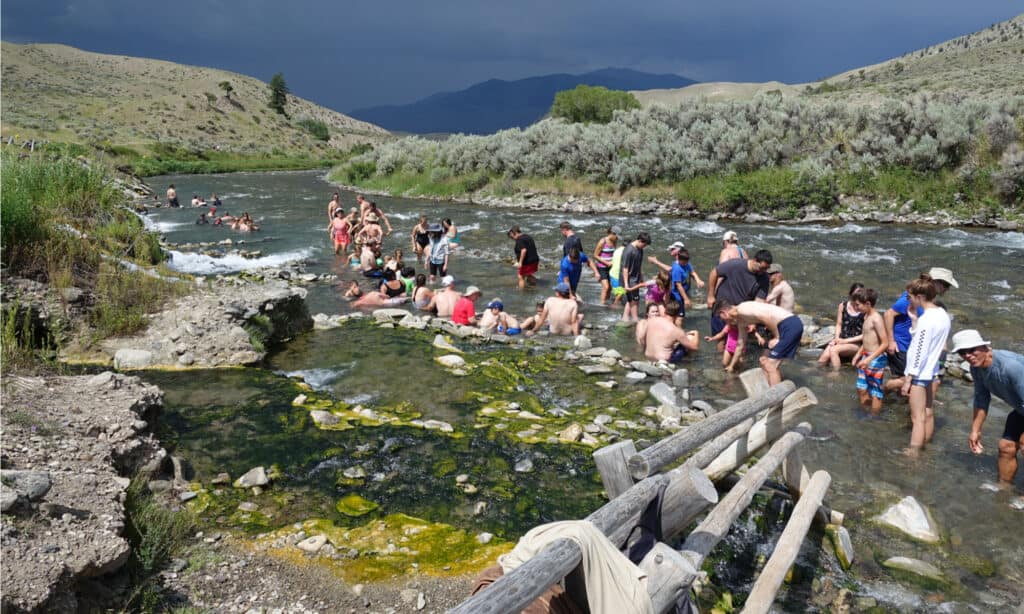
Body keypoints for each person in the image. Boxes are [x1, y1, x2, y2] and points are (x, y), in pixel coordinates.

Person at [954, 329, 1024, 487]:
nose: (968, 355)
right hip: (1021, 408)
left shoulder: (1010, 367)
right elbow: (981, 398)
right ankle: (1003, 491)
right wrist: (975, 430)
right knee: (1006, 447)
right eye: (962, 352)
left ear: (984, 347)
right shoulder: (976, 368)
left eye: (972, 350)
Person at [884, 267, 957, 393]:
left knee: (910, 380)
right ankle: (884, 388)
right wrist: (891, 341)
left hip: (915, 343)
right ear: (935, 282)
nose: (947, 289)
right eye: (945, 285)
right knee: (907, 379)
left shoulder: (930, 300)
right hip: (902, 344)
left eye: (948, 285)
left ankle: (900, 398)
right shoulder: (912, 296)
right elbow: (888, 314)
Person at [900, 275, 951, 452]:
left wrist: (908, 379)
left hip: (919, 374)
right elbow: (927, 343)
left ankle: (913, 454)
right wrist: (914, 320)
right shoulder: (942, 314)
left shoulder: (927, 320)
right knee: (928, 413)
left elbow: (919, 351)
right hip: (932, 372)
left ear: (920, 297)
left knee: (917, 418)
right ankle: (926, 446)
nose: (909, 300)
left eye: (910, 297)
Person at [716, 299, 803, 386]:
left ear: (724, 313)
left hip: (789, 325)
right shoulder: (741, 321)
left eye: (722, 319)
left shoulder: (742, 309)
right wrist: (731, 366)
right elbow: (740, 344)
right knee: (763, 361)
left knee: (770, 365)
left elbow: (766, 317)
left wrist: (777, 337)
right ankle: (766, 390)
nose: (725, 322)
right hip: (781, 327)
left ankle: (777, 396)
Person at [706, 249, 772, 346]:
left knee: (736, 342)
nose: (763, 271)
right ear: (754, 260)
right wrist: (710, 296)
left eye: (766, 269)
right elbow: (714, 272)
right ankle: (719, 359)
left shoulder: (764, 278)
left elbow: (759, 302)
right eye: (761, 268)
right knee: (720, 337)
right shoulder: (736, 265)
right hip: (721, 307)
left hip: (738, 314)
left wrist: (753, 322)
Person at [850, 288, 889, 415]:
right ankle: (864, 411)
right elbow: (867, 339)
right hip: (865, 356)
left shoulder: (876, 319)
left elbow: (885, 343)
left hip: (875, 358)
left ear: (867, 304)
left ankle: (874, 416)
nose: (856, 307)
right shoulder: (867, 316)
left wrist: (868, 359)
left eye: (858, 305)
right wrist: (858, 354)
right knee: (861, 388)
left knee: (875, 390)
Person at [819, 283, 865, 370]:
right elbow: (839, 324)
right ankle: (815, 372)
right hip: (841, 339)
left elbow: (865, 335)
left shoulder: (863, 310)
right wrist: (836, 339)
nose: (857, 297)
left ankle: (836, 375)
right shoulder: (843, 306)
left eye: (860, 294)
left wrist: (845, 341)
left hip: (856, 343)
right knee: (823, 358)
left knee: (834, 350)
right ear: (850, 294)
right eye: (855, 294)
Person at [620, 232, 651, 322]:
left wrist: (641, 278)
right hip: (629, 279)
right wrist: (626, 284)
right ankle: (635, 319)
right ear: (639, 240)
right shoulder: (629, 250)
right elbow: (625, 268)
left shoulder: (640, 250)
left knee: (632, 299)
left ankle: (625, 318)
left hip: (636, 277)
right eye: (644, 245)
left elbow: (639, 265)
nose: (644, 247)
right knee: (634, 299)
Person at [593, 226, 620, 306]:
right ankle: (601, 305)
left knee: (610, 288)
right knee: (606, 287)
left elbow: (614, 253)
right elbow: (595, 255)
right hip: (601, 267)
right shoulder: (602, 241)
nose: (617, 238)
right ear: (612, 234)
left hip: (611, 267)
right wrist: (606, 262)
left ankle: (606, 303)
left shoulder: (615, 241)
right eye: (616, 236)